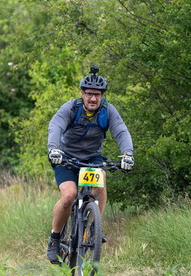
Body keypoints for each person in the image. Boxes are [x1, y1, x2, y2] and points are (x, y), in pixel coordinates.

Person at [46, 65, 134, 263]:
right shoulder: (71, 108)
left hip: (92, 158)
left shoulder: (108, 111)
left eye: (97, 95)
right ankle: (54, 239)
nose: (93, 98)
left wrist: (128, 154)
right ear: (82, 94)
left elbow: (121, 131)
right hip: (66, 158)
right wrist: (53, 149)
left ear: (102, 96)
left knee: (100, 180)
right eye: (89, 94)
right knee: (68, 196)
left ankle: (95, 227)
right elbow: (55, 126)